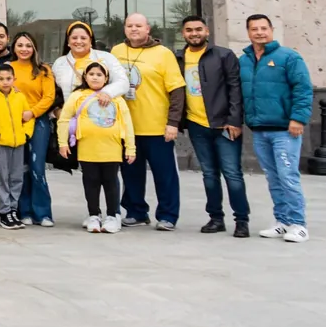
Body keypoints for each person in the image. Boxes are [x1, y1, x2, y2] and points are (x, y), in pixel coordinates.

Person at [240, 14, 311, 243]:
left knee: (288, 175)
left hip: (285, 129)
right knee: (273, 177)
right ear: (248, 32)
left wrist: (298, 118)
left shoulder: (288, 57)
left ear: (271, 29)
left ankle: (299, 224)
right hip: (259, 129)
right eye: (254, 29)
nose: (259, 32)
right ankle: (282, 221)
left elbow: (302, 88)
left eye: (263, 28)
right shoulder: (244, 60)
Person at [112, 13, 185, 230]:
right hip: (127, 127)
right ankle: (136, 211)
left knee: (165, 175)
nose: (134, 29)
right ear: (124, 28)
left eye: (138, 25)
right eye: (130, 25)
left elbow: (177, 89)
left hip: (157, 127)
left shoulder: (163, 54)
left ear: (148, 28)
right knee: (131, 173)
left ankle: (168, 215)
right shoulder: (116, 51)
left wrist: (173, 122)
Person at [177, 15, 248, 236]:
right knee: (209, 174)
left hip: (224, 126)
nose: (194, 34)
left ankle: (242, 220)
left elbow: (235, 89)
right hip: (197, 125)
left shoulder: (223, 55)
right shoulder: (178, 58)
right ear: (183, 34)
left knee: (232, 174)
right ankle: (216, 218)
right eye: (189, 30)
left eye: (198, 29)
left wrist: (234, 120)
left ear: (207, 31)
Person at [57, 59, 136, 233]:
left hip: (112, 148)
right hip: (87, 149)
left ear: (106, 78)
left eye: (99, 74)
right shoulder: (77, 96)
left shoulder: (116, 98)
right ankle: (93, 214)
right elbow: (64, 119)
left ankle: (113, 215)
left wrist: (131, 148)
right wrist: (63, 143)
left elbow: (127, 124)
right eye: (91, 74)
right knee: (90, 182)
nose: (95, 77)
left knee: (111, 182)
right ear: (85, 76)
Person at [8, 32, 56, 228]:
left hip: (38, 121)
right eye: (20, 45)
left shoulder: (43, 70)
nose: (24, 49)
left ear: (34, 48)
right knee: (21, 168)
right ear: (14, 48)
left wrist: (32, 113)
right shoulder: (9, 68)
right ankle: (24, 211)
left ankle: (43, 213)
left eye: (28, 45)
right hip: (14, 122)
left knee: (37, 168)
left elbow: (49, 97)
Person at [0, 63, 33, 229]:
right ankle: (4, 212)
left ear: (14, 79)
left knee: (17, 177)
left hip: (19, 143)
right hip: (1, 144)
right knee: (3, 177)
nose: (5, 82)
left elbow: (28, 117)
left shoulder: (19, 96)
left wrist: (26, 134)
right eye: (1, 79)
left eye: (8, 78)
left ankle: (12, 209)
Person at [51, 20, 128, 100]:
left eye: (83, 38)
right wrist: (56, 110)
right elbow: (52, 92)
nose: (78, 41)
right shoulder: (59, 63)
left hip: (100, 110)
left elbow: (123, 81)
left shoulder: (107, 58)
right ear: (68, 41)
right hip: (69, 111)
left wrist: (107, 93)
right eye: (74, 38)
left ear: (90, 41)